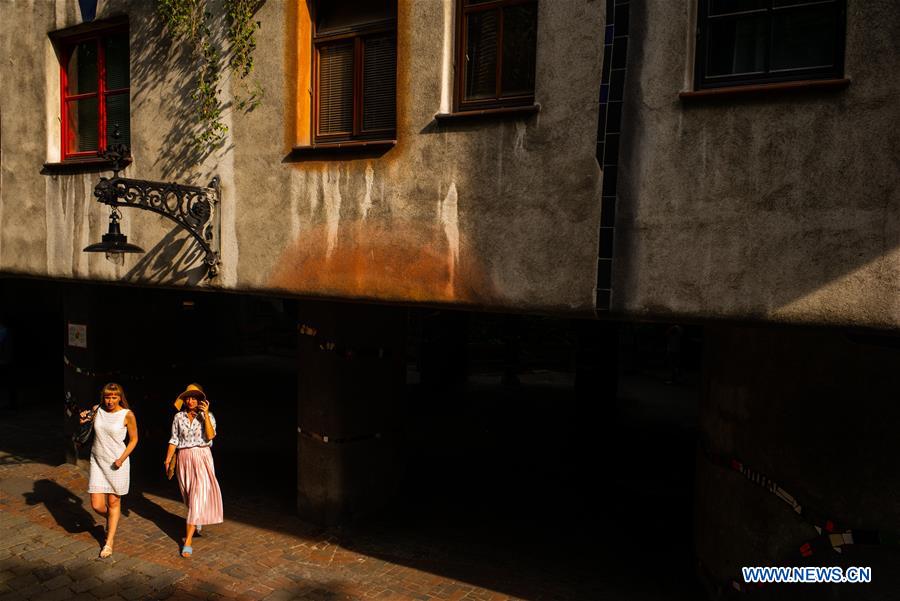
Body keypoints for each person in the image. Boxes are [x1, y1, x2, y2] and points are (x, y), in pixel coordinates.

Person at [79, 382, 138, 558]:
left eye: (114, 397)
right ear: (103, 397)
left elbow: (134, 440)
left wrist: (122, 458)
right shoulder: (97, 410)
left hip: (116, 464)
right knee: (96, 505)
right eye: (107, 397)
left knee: (113, 503)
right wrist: (83, 420)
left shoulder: (127, 415)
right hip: (97, 461)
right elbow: (85, 427)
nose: (110, 400)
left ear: (120, 397)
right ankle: (111, 519)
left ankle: (109, 542)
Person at [164, 383, 223, 558]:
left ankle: (187, 541)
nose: (190, 401)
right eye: (188, 397)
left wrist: (205, 415)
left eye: (194, 397)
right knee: (189, 496)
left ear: (201, 400)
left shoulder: (208, 416)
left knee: (198, 495)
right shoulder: (178, 417)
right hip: (183, 458)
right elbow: (174, 439)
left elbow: (211, 436)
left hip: (202, 456)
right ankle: (195, 519)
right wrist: (168, 459)